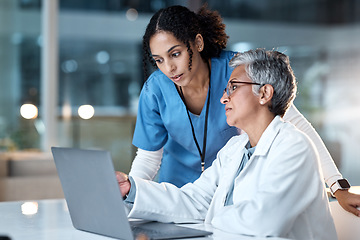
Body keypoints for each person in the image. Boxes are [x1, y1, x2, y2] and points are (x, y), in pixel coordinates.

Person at [129, 5, 360, 216]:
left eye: (175, 54)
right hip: (180, 198)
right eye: (158, 60)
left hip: (230, 197)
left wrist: (337, 185)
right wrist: (130, 197)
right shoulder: (155, 90)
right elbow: (148, 160)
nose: (169, 68)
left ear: (197, 43)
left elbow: (296, 124)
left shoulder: (237, 73)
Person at [117, 49, 337, 239]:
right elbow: (194, 200)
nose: (223, 98)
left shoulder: (294, 147)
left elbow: (263, 223)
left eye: (233, 87)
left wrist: (211, 213)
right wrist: (131, 189)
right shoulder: (235, 149)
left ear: (264, 93)